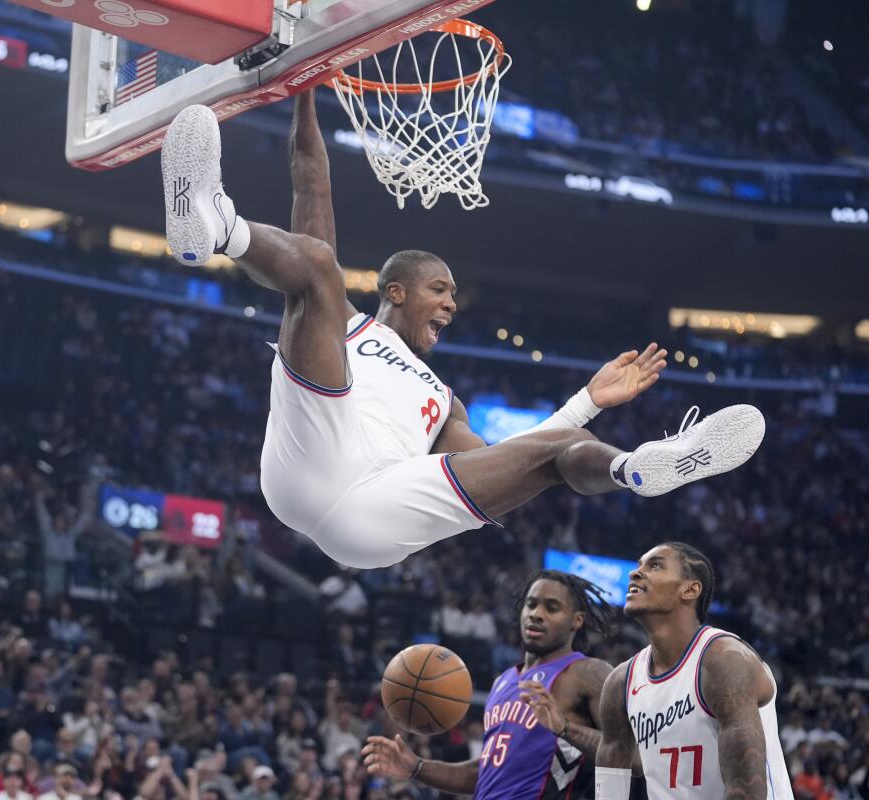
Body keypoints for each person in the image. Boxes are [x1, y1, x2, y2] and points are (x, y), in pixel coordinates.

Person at [159, 94, 765, 570]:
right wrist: (305, 87)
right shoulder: (347, 321)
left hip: (378, 507)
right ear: (395, 291)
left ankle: (635, 468)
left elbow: (504, 462)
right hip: (314, 461)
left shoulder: (446, 401)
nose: (451, 304)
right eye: (440, 290)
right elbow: (310, 184)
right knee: (317, 263)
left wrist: (587, 403)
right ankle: (212, 225)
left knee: (550, 453)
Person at [364, 571, 619, 798]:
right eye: (531, 605)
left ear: (576, 620)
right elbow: (483, 773)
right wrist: (417, 767)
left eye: (552, 608)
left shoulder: (587, 673)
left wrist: (565, 729)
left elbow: (629, 753)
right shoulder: (503, 681)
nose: (536, 614)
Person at [594, 542, 795, 799]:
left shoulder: (724, 661)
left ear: (690, 589)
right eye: (638, 565)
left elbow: (746, 790)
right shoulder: (620, 682)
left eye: (655, 565)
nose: (635, 573)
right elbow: (610, 787)